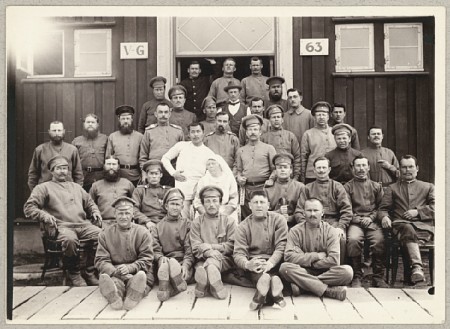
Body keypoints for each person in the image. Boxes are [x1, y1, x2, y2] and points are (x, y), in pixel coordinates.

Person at [24, 155, 102, 286]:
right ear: (52, 171)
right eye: (59, 168)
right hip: (61, 227)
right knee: (70, 240)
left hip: (82, 225)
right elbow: (29, 207)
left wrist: (95, 211)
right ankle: (74, 273)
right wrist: (44, 216)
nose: (62, 171)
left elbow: (90, 203)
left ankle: (89, 272)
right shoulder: (43, 188)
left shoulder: (76, 187)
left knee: (102, 236)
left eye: (65, 168)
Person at [279, 198, 353, 301]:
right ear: (304, 213)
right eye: (309, 210)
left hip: (325, 272)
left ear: (322, 212)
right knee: (284, 268)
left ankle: (303, 286)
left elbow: (334, 260)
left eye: (316, 210)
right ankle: (328, 291)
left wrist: (309, 261)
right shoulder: (295, 231)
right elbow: (288, 257)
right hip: (303, 270)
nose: (312, 214)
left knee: (347, 272)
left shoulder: (331, 231)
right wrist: (316, 256)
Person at [378, 155, 434, 284]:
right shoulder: (393, 188)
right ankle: (417, 267)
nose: (407, 170)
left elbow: (438, 207)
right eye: (404, 167)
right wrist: (385, 217)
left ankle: (414, 271)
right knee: (406, 227)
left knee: (409, 231)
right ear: (399, 169)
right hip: (400, 227)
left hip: (422, 228)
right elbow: (382, 209)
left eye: (411, 167)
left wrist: (418, 212)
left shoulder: (428, 187)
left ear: (417, 168)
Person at [95, 196, 154, 311]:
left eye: (127, 213)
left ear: (133, 215)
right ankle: (116, 297)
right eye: (120, 213)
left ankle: (133, 295)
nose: (123, 217)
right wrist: (114, 272)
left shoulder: (143, 232)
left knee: (141, 279)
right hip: (116, 271)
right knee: (114, 282)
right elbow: (101, 260)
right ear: (115, 214)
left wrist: (130, 268)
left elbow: (147, 258)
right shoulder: (105, 234)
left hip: (138, 271)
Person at [233, 190, 288, 310]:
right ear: (250, 205)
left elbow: (281, 246)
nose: (259, 205)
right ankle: (277, 296)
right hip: (256, 264)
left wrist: (271, 263)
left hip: (276, 261)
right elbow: (238, 253)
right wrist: (248, 264)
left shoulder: (279, 220)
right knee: (261, 276)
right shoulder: (243, 226)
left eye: (262, 202)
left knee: (280, 273)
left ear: (268, 205)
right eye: (255, 202)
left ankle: (260, 297)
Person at [294, 157, 353, 265]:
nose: (321, 170)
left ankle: (337, 269)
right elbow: (299, 211)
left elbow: (347, 210)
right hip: (311, 222)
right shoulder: (307, 188)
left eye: (324, 167)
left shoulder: (337, 187)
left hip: (333, 222)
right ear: (314, 170)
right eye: (318, 168)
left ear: (329, 169)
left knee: (341, 239)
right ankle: (309, 268)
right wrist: (305, 225)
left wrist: (340, 227)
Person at [161, 122, 222, 219]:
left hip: (199, 193)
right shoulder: (181, 146)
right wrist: (173, 173)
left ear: (203, 133)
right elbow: (165, 158)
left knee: (199, 221)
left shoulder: (208, 152)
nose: (195, 134)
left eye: (198, 131)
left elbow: (211, 173)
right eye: (192, 132)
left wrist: (200, 185)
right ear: (188, 134)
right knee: (182, 220)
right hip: (182, 191)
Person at [344, 156, 388, 288]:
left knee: (379, 240)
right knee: (353, 240)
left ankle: (378, 277)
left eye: (364, 165)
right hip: (355, 222)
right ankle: (357, 275)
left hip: (372, 222)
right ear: (353, 168)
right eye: (358, 165)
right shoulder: (347, 187)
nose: (361, 169)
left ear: (368, 168)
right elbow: (346, 208)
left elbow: (381, 207)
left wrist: (371, 218)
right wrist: (358, 219)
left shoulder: (376, 186)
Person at [190, 186, 236, 299]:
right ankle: (214, 287)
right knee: (205, 264)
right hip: (203, 258)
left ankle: (202, 286)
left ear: (220, 203)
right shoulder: (197, 223)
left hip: (224, 260)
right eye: (207, 201)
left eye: (215, 201)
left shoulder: (229, 221)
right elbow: (195, 246)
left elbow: (232, 245)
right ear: (203, 204)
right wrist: (207, 252)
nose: (211, 204)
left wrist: (212, 247)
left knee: (210, 264)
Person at [153, 188, 194, 301]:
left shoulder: (188, 225)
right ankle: (173, 283)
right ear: (166, 206)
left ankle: (167, 288)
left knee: (186, 273)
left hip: (182, 262)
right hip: (165, 263)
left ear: (182, 207)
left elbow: (189, 249)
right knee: (164, 269)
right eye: (172, 204)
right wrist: (161, 259)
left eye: (178, 204)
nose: (175, 207)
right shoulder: (158, 226)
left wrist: (186, 265)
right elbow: (155, 249)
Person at [236, 114, 277, 220]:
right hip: (247, 190)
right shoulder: (241, 151)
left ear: (260, 132)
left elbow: (275, 169)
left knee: (264, 217)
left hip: (264, 188)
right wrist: (239, 178)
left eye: (255, 129)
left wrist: (272, 179)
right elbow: (238, 170)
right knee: (248, 218)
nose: (253, 132)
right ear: (246, 133)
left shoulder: (269, 148)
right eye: (250, 129)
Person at [139, 100, 184, 187]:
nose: (163, 115)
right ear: (156, 114)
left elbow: (182, 155)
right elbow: (143, 156)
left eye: (166, 112)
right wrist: (144, 174)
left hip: (172, 172)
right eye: (160, 112)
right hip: (153, 173)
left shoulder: (178, 131)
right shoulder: (149, 132)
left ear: (170, 114)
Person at [28, 121, 83, 191]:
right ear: (49, 132)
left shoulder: (72, 150)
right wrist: (37, 193)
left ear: (64, 131)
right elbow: (33, 174)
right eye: (54, 130)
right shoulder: (40, 150)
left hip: (67, 191)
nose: (57, 133)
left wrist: (76, 192)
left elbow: (78, 174)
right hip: (46, 191)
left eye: (59, 130)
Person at [89, 156, 135, 228]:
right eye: (108, 164)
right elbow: (89, 205)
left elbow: (135, 204)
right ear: (104, 166)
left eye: (114, 164)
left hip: (124, 222)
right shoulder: (96, 186)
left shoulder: (127, 184)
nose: (111, 167)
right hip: (103, 224)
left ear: (118, 167)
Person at [193, 154, 238, 223]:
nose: (211, 166)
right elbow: (197, 201)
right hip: (206, 210)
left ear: (219, 164)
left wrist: (224, 215)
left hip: (225, 210)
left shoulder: (229, 179)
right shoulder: (203, 180)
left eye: (213, 163)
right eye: (208, 164)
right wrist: (207, 215)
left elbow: (234, 199)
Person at [264, 153, 305, 229]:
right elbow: (263, 212)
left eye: (285, 167)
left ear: (291, 170)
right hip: (273, 226)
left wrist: (290, 218)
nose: (282, 170)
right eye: (279, 168)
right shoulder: (267, 189)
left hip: (295, 226)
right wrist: (278, 212)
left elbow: (303, 210)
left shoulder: (300, 187)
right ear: (275, 171)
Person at [261, 105, 301, 181]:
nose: (276, 119)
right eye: (273, 117)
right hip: (270, 177)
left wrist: (296, 176)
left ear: (282, 120)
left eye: (278, 117)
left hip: (289, 176)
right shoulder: (264, 138)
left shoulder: (290, 136)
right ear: (269, 120)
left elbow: (297, 157)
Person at [106, 105, 143, 186]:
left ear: (132, 119)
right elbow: (108, 157)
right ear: (119, 119)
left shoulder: (140, 137)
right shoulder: (112, 137)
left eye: (128, 118)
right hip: (118, 176)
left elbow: (143, 157)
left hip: (135, 176)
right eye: (123, 119)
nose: (126, 121)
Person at [300, 101, 336, 184]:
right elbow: (303, 156)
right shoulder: (308, 134)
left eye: (324, 114)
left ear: (328, 116)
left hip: (332, 173)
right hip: (313, 174)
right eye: (318, 114)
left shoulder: (334, 132)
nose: (321, 117)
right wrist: (303, 176)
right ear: (314, 117)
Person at [72, 113, 108, 192]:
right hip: (83, 176)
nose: (90, 124)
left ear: (97, 125)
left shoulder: (105, 139)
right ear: (84, 124)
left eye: (93, 122)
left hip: (100, 176)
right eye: (88, 122)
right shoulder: (76, 141)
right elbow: (72, 162)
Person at [132, 159, 171, 230]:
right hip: (145, 224)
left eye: (156, 174)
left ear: (161, 175)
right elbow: (134, 209)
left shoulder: (167, 191)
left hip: (165, 224)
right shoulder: (140, 191)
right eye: (151, 173)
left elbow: (172, 209)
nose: (154, 176)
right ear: (146, 175)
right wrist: (147, 221)